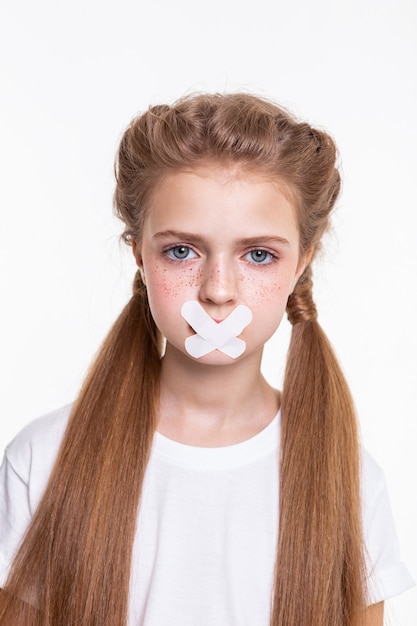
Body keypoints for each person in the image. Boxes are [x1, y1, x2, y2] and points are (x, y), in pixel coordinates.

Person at [0, 93, 413, 626]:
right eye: (182, 251)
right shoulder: (44, 458)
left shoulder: (349, 479)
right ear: (140, 256)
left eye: (258, 254)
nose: (218, 291)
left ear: (302, 262)